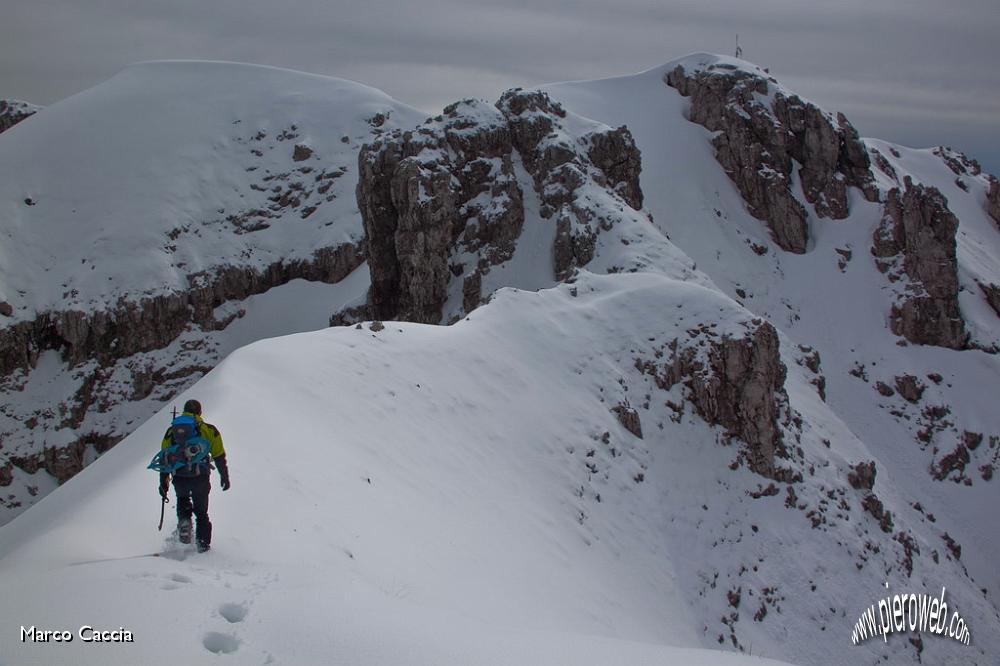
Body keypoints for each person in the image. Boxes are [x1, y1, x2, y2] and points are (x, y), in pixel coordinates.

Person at [158, 399, 230, 552]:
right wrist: (224, 476)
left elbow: (165, 457)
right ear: (200, 412)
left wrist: (163, 484)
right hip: (200, 476)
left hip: (179, 476)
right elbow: (219, 455)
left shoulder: (172, 431)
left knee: (182, 500)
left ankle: (184, 522)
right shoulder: (209, 430)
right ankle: (203, 546)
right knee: (202, 513)